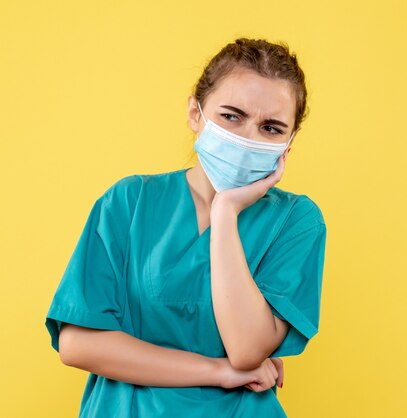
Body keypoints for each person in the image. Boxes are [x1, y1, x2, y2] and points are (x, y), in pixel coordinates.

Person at [45, 37, 327, 417]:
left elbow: (246, 349)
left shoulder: (296, 221)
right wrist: (217, 371)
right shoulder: (130, 201)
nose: (248, 138)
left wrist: (226, 212)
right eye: (231, 116)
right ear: (196, 113)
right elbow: (78, 344)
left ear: (288, 146)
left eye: (271, 128)